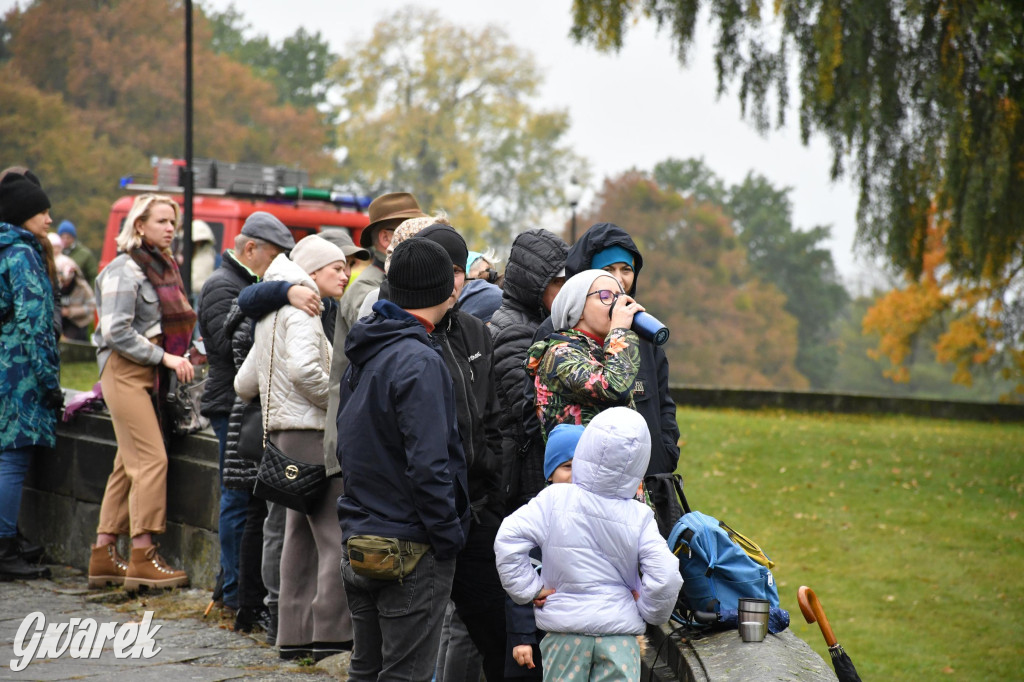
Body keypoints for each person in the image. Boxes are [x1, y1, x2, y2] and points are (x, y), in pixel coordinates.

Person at [336, 238, 469, 681]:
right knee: (405, 674)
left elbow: (349, 443)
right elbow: (430, 466)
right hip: (411, 548)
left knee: (366, 669)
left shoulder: (369, 345)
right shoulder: (420, 361)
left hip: (360, 536)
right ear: (446, 289)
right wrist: (448, 537)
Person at [494, 408, 683, 682]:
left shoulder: (553, 500)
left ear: (585, 449)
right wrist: (650, 610)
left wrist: (527, 589)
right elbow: (666, 576)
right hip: (619, 637)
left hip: (564, 635)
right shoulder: (639, 516)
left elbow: (508, 538)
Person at [234, 235, 353, 661]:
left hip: (282, 437)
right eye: (336, 268)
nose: (345, 274)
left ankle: (293, 635)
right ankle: (333, 636)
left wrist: (275, 397)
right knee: (333, 535)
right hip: (310, 434)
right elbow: (304, 370)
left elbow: (243, 383)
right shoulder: (305, 309)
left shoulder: (272, 314)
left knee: (296, 540)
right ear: (314, 272)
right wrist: (339, 403)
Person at [87, 193, 195, 590]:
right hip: (126, 371)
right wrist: (165, 358)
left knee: (126, 462)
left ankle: (103, 555)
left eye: (173, 223)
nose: (170, 228)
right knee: (152, 460)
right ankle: (143, 555)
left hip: (147, 373)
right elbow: (115, 331)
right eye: (162, 221)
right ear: (139, 226)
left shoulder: (163, 266)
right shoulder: (124, 269)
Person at [414, 224, 508, 682]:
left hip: (476, 508)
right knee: (414, 643)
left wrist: (490, 490)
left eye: (457, 270)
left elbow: (492, 418)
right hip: (420, 516)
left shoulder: (475, 332)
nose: (451, 281)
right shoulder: (406, 335)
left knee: (496, 632)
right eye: (443, 270)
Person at [197, 212, 295, 621]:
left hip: (235, 403)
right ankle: (235, 590)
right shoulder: (224, 284)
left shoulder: (243, 284)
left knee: (244, 501)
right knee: (237, 499)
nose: (274, 267)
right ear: (250, 248)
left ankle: (231, 588)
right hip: (227, 404)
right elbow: (225, 345)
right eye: (271, 257)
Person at [555, 222, 681, 476]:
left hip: (648, 479)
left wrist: (665, 452)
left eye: (626, 269)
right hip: (591, 481)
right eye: (608, 269)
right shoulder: (559, 340)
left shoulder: (643, 334)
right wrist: (619, 333)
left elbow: (664, 406)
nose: (619, 279)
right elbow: (612, 387)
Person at [0, 171, 61, 581]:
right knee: (13, 460)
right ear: (23, 214)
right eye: (42, 212)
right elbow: (34, 323)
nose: (50, 219)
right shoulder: (21, 254)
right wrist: (50, 384)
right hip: (17, 372)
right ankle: (4, 547)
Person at [488, 228, 568, 510]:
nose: (566, 291)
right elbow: (534, 414)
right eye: (558, 282)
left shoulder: (535, 324)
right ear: (533, 284)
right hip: (528, 481)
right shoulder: (515, 332)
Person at [503, 423, 584, 678]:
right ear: (549, 473)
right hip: (536, 634)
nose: (575, 475)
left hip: (577, 630)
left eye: (582, 466)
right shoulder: (536, 516)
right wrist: (522, 637)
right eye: (567, 467)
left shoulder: (597, 516)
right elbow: (518, 581)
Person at [525, 269, 643, 439]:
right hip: (576, 464)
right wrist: (619, 331)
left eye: (619, 297)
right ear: (577, 308)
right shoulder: (559, 354)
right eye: (605, 295)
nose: (617, 305)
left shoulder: (607, 351)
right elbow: (614, 389)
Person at [57, 257, 97, 342]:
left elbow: (91, 307)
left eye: (67, 281)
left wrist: (70, 311)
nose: (65, 284)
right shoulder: (56, 286)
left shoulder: (82, 287)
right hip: (59, 322)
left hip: (78, 325)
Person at [58, 219, 98, 287]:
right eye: (63, 237)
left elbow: (93, 276)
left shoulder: (85, 254)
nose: (65, 240)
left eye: (68, 237)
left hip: (80, 294)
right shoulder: (55, 254)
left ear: (73, 238)